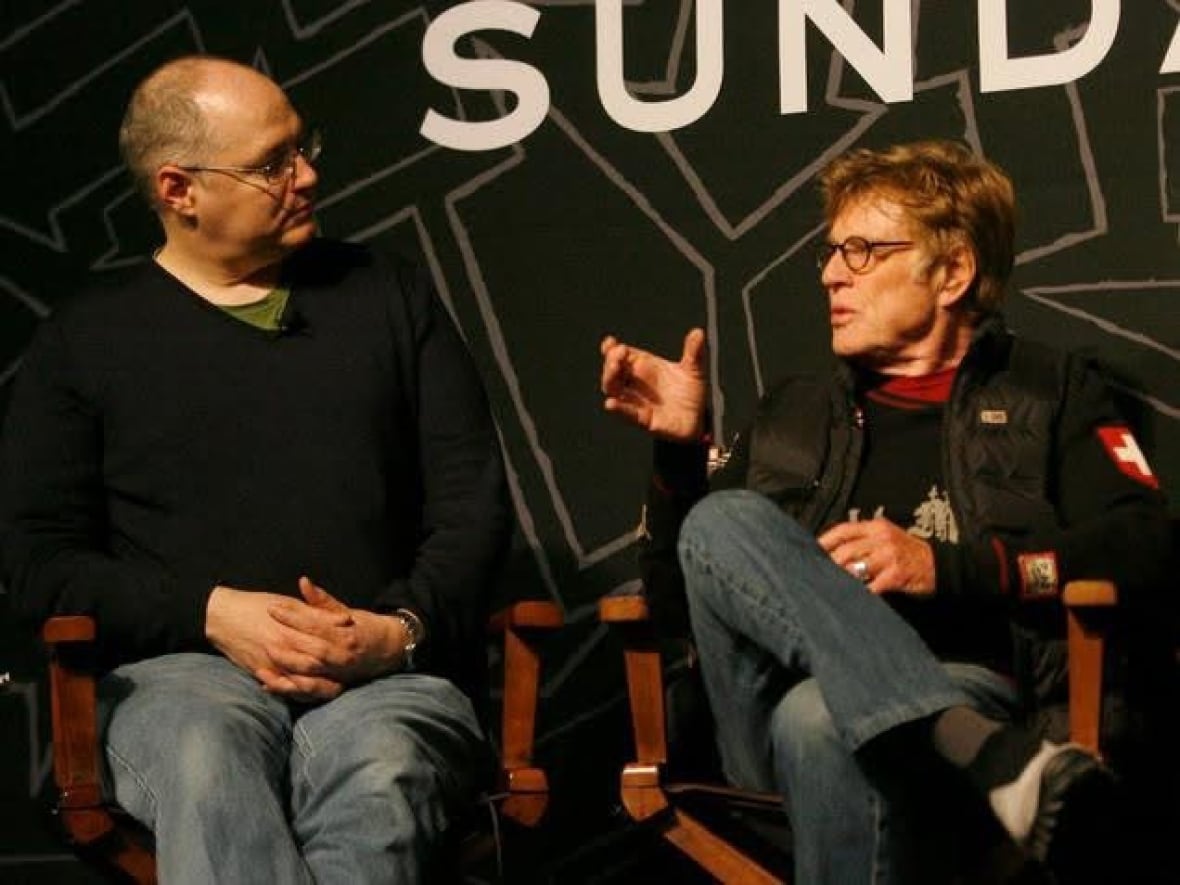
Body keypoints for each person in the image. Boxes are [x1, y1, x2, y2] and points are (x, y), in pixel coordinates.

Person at [600, 140, 1171, 883]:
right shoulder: (791, 413)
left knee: (821, 716)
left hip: (974, 684)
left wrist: (950, 566)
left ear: (954, 271)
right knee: (720, 524)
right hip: (770, 735)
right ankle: (978, 750)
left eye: (863, 250)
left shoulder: (1049, 392)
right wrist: (680, 457)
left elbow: (1145, 543)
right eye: (832, 252)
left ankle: (965, 732)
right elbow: (683, 607)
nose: (832, 273)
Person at [0, 55, 511, 883]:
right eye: (273, 163)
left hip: (387, 682)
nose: (306, 174)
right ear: (178, 190)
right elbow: (39, 567)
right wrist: (209, 613)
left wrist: (394, 632)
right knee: (206, 755)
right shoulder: (84, 342)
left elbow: (474, 508)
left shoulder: (387, 294)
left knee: (379, 770)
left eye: (303, 149)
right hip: (178, 684)